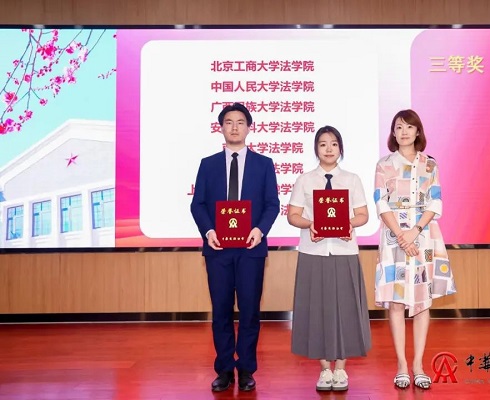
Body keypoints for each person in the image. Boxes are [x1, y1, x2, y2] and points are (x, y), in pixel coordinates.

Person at [190, 102, 280, 392]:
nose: (234, 127)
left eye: (240, 122)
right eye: (229, 122)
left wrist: (259, 230)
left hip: (251, 249)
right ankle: (225, 368)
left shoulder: (263, 164)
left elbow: (272, 204)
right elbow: (198, 204)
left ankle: (247, 369)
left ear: (249, 128)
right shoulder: (208, 164)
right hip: (218, 249)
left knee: (250, 311)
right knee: (221, 311)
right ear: (221, 127)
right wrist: (208, 231)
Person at [373, 109, 456, 390]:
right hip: (393, 237)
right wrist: (400, 235)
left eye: (409, 127)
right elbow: (380, 202)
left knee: (422, 302)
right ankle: (401, 365)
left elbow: (436, 202)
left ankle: (418, 365)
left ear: (418, 131)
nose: (404, 132)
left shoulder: (430, 165)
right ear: (393, 133)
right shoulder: (384, 165)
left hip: (423, 236)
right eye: (399, 127)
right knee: (396, 302)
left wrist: (414, 231)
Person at [287, 125, 372, 392]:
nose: (328, 149)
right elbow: (293, 215)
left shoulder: (352, 179)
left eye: (334, 144)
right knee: (317, 310)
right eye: (323, 144)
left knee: (346, 309)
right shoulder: (304, 180)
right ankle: (325, 369)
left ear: (340, 148)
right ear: (316, 149)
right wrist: (310, 224)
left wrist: (348, 224)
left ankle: (341, 369)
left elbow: (363, 215)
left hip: (344, 252)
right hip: (313, 253)